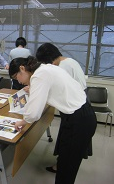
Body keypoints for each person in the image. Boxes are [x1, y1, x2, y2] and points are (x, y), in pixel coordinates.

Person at [9, 56, 96, 184]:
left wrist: (21, 122)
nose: (19, 81)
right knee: (65, 162)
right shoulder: (45, 68)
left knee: (67, 167)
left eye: (17, 77)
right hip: (81, 114)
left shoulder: (39, 75)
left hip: (79, 120)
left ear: (22, 68)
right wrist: (33, 88)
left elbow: (33, 114)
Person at [35, 42, 89, 174]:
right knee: (66, 141)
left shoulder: (62, 66)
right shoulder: (70, 61)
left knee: (68, 141)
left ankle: (62, 165)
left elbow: (57, 88)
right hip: (81, 102)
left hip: (75, 107)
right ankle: (62, 163)